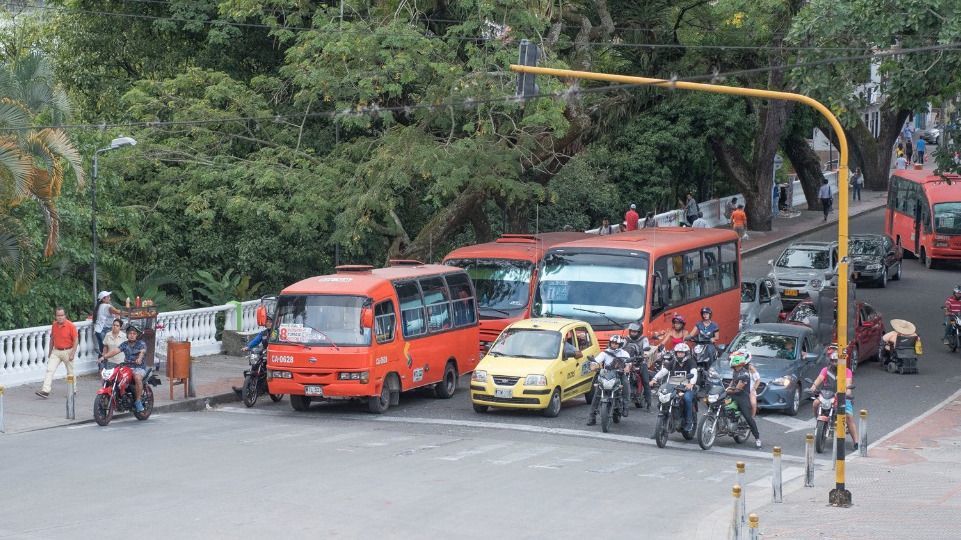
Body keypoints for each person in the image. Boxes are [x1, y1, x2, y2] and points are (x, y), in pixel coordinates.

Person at [808, 348, 859, 450]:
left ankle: (856, 442)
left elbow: (848, 384)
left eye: (837, 361)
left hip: (841, 396)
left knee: (848, 416)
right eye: (833, 361)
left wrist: (847, 392)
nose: (835, 363)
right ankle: (818, 419)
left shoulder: (847, 372)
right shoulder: (825, 370)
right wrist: (812, 388)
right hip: (826, 395)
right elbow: (818, 380)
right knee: (815, 403)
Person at [651, 342, 698, 432]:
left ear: (686, 353)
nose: (680, 354)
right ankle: (659, 427)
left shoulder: (691, 362)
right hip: (674, 386)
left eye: (682, 352)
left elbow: (694, 373)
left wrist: (691, 383)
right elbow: (663, 371)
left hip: (687, 387)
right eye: (678, 352)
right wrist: (654, 379)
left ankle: (689, 422)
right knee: (662, 399)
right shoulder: (673, 362)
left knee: (687, 399)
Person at [587, 335, 632, 425]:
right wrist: (593, 365)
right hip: (606, 375)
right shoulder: (605, 353)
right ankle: (592, 417)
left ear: (620, 344)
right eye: (612, 343)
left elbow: (628, 363)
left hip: (619, 375)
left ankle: (626, 406)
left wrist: (627, 367)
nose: (614, 345)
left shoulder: (624, 353)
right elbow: (596, 361)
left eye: (616, 343)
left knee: (626, 384)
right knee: (597, 394)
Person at [101, 325, 148, 412]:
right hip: (127, 367)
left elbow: (142, 351)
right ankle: (121, 396)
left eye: (134, 333)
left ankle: (138, 401)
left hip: (139, 367)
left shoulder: (141, 343)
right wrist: (104, 357)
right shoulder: (125, 344)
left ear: (137, 335)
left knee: (137, 378)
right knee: (115, 376)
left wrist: (139, 358)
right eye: (130, 333)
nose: (132, 335)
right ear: (127, 334)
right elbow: (115, 351)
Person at [36, 307, 78, 398]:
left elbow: (76, 340)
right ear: (56, 316)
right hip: (56, 351)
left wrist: (72, 353)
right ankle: (45, 391)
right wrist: (50, 352)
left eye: (62, 315)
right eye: (58, 315)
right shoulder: (54, 325)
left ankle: (73, 390)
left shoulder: (71, 325)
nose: (60, 317)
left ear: (65, 315)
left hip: (68, 351)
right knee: (49, 370)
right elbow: (52, 339)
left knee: (70, 372)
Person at [726, 351, 762, 448]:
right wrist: (725, 390)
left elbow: (738, 388)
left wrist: (753, 389)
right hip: (734, 393)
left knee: (748, 416)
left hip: (743, 396)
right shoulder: (735, 371)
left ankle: (757, 438)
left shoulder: (745, 372)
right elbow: (733, 382)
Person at [623, 322, 652, 410]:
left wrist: (645, 354)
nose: (633, 333)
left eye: (635, 332)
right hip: (627, 362)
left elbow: (646, 348)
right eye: (632, 331)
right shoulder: (626, 339)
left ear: (639, 332)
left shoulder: (644, 339)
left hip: (640, 362)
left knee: (646, 381)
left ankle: (648, 403)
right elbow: (621, 347)